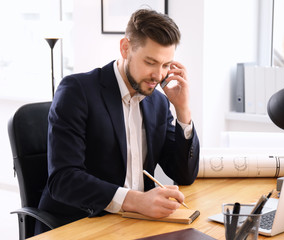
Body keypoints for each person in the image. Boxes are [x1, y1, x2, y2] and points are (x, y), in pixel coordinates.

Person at [35, 9, 200, 234]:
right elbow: (63, 180)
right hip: (81, 224)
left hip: (136, 225)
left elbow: (184, 175)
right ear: (125, 48)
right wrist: (135, 200)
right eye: (150, 62)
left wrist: (183, 110)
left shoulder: (158, 104)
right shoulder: (77, 91)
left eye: (165, 65)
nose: (158, 75)